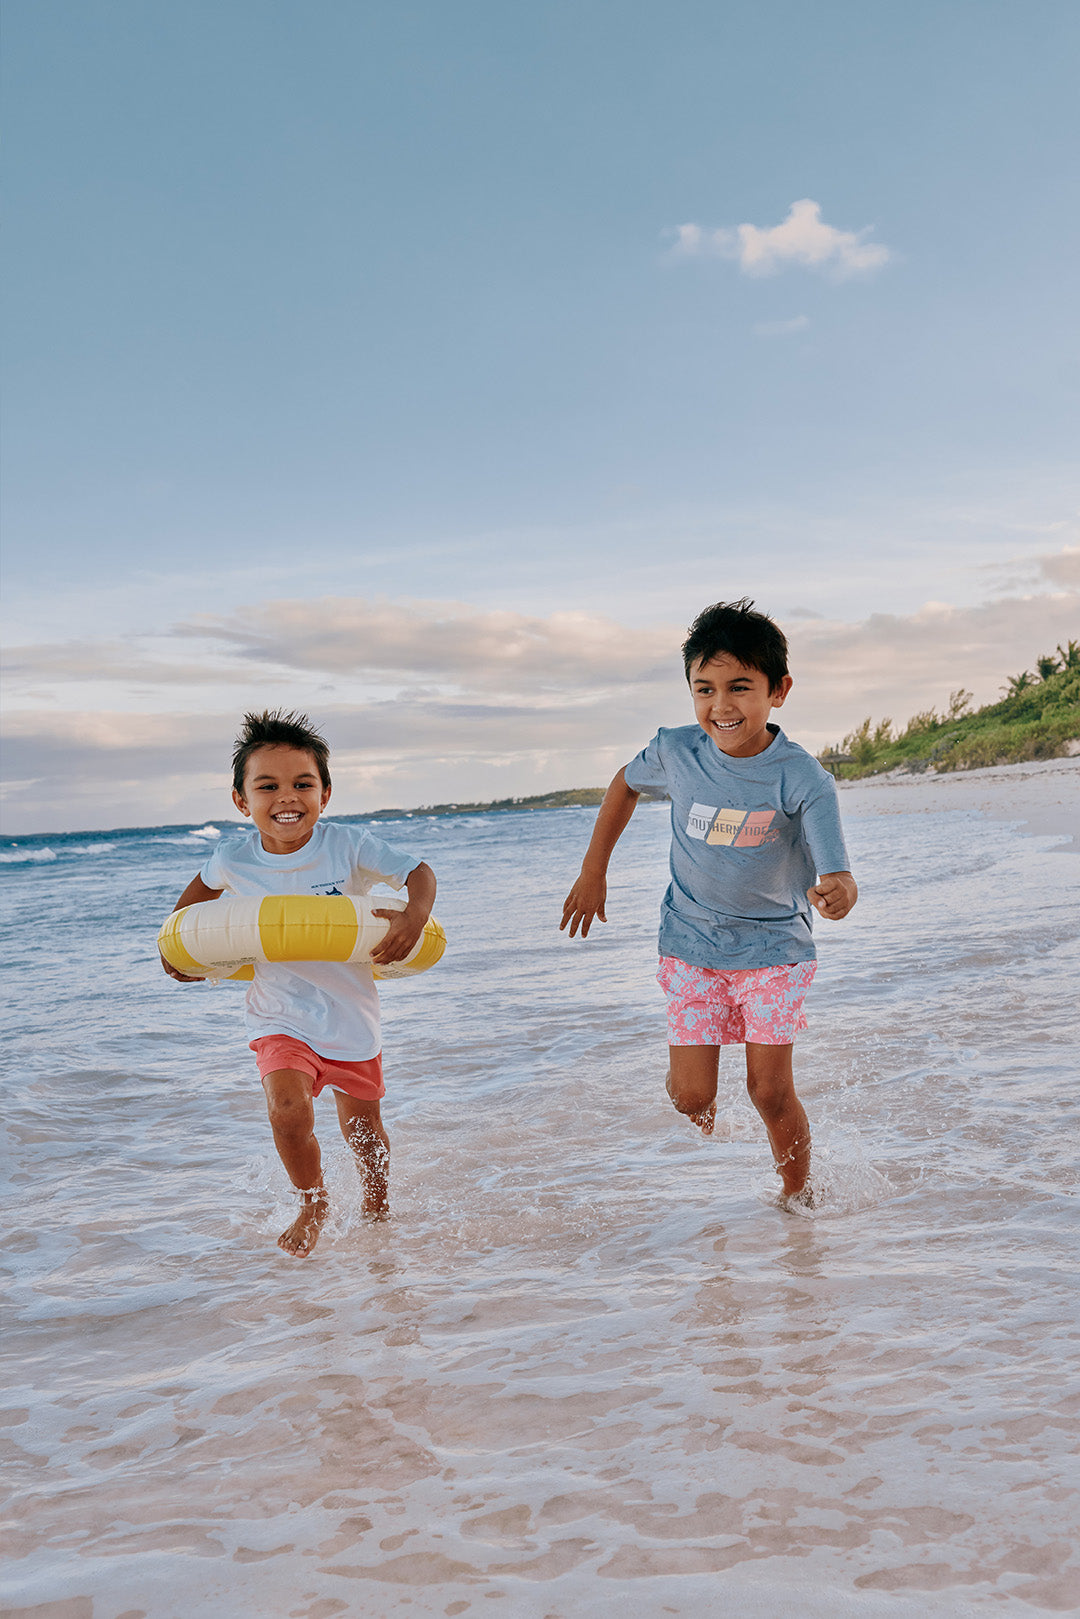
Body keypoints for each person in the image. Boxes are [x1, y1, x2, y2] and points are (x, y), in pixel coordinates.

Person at [560, 599, 857, 1204]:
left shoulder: (802, 778)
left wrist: (838, 895)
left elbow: (839, 875)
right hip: (690, 945)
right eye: (705, 689)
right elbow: (624, 783)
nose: (721, 707)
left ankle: (798, 1198)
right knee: (691, 1098)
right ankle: (698, 1096)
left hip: (776, 948)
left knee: (769, 1092)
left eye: (740, 687)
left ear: (779, 691)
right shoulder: (677, 750)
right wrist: (594, 871)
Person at [161, 709, 436, 1257]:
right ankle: (312, 1200)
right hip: (278, 1013)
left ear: (325, 793)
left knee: (363, 1131)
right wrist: (185, 958)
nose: (286, 797)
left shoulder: (348, 846)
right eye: (267, 786)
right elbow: (187, 919)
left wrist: (413, 915)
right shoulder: (232, 857)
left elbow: (418, 872)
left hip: (350, 1013)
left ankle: (378, 1207)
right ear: (241, 801)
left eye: (302, 784)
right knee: (287, 1111)